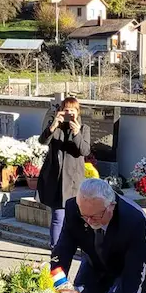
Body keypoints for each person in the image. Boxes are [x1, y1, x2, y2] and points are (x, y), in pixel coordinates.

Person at [37, 96, 91, 247]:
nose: (69, 113)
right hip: (56, 177)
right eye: (65, 110)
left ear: (77, 112)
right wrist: (53, 125)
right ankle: (55, 249)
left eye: (72, 110)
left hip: (74, 178)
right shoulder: (55, 127)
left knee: (75, 216)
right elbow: (42, 141)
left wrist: (76, 133)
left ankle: (74, 246)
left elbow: (84, 150)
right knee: (57, 216)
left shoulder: (84, 128)